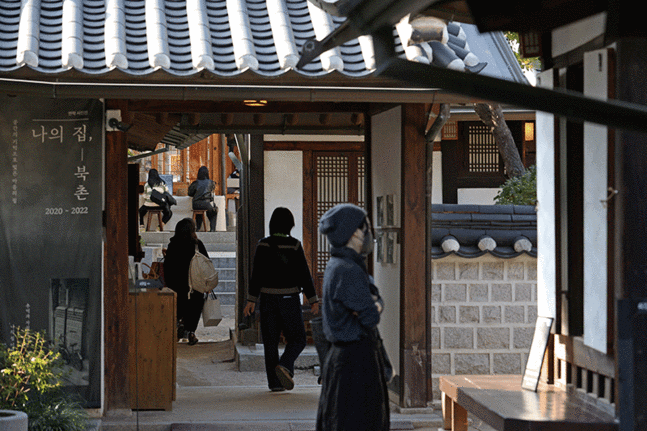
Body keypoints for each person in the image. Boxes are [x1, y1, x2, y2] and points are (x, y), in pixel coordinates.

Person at [316, 203, 389, 431]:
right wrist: (375, 306)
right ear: (355, 232)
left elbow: (366, 307)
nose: (369, 232)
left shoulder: (337, 264)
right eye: (366, 226)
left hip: (343, 359)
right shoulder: (348, 269)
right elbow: (370, 317)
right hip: (355, 363)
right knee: (356, 422)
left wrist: (372, 305)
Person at [243, 207, 319, 392]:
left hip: (268, 299)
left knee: (270, 342)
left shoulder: (262, 245)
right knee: (299, 339)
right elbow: (304, 275)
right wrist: (313, 299)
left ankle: (275, 384)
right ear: (290, 225)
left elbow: (257, 275)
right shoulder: (294, 245)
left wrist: (251, 300)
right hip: (289, 299)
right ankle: (285, 365)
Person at [163, 217, 208, 345]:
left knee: (179, 306)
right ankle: (191, 332)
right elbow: (206, 264)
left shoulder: (173, 245)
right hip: (195, 285)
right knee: (195, 306)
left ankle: (179, 325)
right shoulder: (196, 245)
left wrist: (169, 283)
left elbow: (168, 266)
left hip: (177, 285)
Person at [188, 166, 217, 232]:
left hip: (196, 204)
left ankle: (198, 227)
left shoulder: (195, 183)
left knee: (199, 211)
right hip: (206, 203)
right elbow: (212, 190)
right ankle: (212, 229)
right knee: (213, 212)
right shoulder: (211, 182)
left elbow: (190, 193)